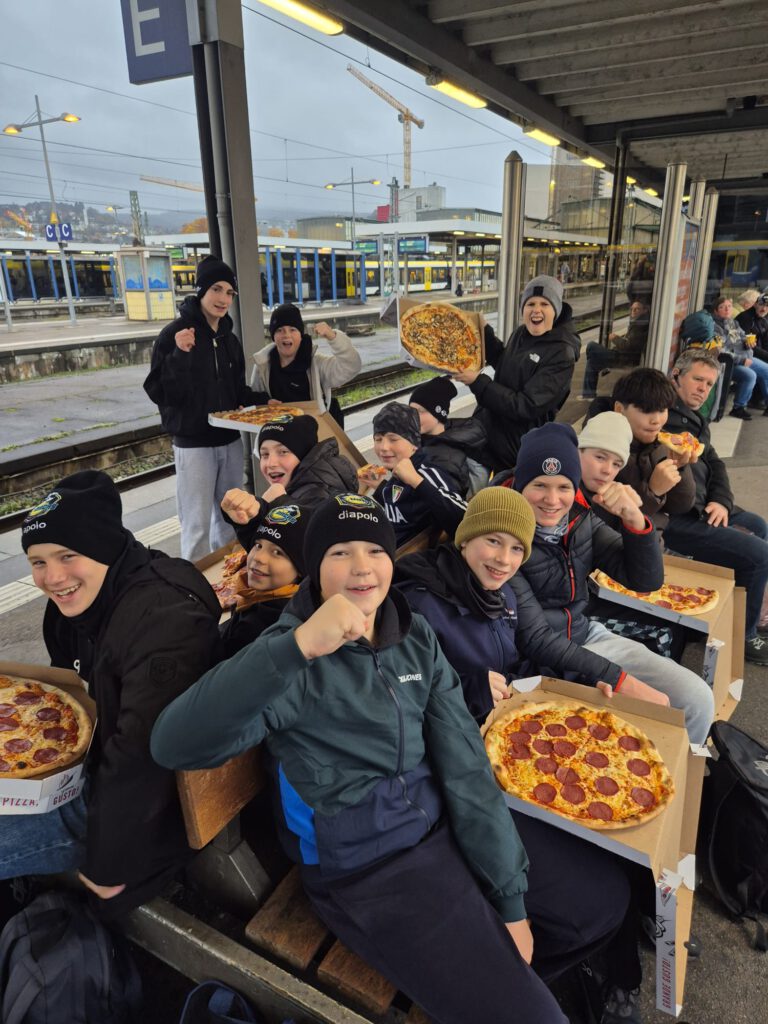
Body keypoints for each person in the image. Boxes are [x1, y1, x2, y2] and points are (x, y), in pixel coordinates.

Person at [151, 493, 629, 1024]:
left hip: (440, 821)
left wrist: (509, 898)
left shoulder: (413, 635)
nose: (362, 568)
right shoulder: (290, 653)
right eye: (340, 553)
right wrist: (300, 646)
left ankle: (490, 985)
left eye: (375, 551)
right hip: (368, 869)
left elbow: (465, 763)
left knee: (603, 902)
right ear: (314, 567)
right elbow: (174, 744)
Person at [395, 486, 646, 1022]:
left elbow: (529, 649)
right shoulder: (420, 602)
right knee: (603, 894)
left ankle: (614, 964)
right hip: (459, 772)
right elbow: (406, 696)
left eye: (516, 548)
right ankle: (521, 982)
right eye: (491, 541)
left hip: (510, 747)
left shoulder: (503, 595)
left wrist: (595, 678)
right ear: (464, 540)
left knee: (627, 851)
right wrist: (472, 690)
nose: (504, 559)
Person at [12, 471, 220, 918]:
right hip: (89, 773)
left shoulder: (165, 619)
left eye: (67, 555)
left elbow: (141, 757)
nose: (52, 578)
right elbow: (65, 693)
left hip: (138, 816)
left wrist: (107, 863)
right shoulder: (82, 600)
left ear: (104, 546)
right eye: (38, 561)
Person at [510, 423, 715, 745]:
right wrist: (620, 680)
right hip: (534, 661)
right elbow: (534, 637)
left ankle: (679, 783)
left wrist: (635, 520)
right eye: (539, 485)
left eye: (564, 486)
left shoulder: (580, 519)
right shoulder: (503, 533)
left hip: (586, 633)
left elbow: (644, 581)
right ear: (520, 485)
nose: (552, 499)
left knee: (696, 698)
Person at [143, 255, 269, 562]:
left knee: (231, 517)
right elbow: (160, 393)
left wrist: (264, 402)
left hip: (229, 441)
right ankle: (195, 587)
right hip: (193, 444)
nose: (223, 298)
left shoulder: (229, 339)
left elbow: (236, 390)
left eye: (229, 292)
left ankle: (228, 576)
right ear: (201, 291)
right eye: (216, 289)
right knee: (196, 524)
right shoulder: (175, 335)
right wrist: (180, 355)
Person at [665, 349, 768, 666]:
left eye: (710, 384)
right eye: (698, 380)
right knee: (758, 554)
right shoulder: (662, 414)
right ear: (676, 376)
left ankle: (734, 616)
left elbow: (715, 463)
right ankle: (744, 636)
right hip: (679, 516)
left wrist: (721, 501)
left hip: (707, 504)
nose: (703, 389)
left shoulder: (696, 418)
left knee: (760, 526)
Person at [456, 275, 580, 471]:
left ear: (555, 310)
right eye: (530, 304)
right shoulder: (521, 333)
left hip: (509, 449)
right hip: (486, 432)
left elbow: (525, 406)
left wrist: (478, 382)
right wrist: (484, 332)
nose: (536, 310)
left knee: (487, 499)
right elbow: (505, 364)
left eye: (544, 304)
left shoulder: (562, 353)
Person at [592, 368, 696, 532]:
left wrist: (679, 467)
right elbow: (608, 523)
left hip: (658, 534)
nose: (656, 420)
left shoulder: (661, 442)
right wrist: (653, 491)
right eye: (646, 411)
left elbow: (681, 506)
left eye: (662, 410)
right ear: (619, 409)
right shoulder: (601, 453)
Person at [216, 494, 313, 659]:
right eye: (258, 545)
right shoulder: (263, 594)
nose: (259, 557)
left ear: (301, 568)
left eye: (277, 553)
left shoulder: (266, 626)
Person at [359, 402, 467, 545]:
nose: (383, 447)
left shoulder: (426, 473)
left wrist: (417, 481)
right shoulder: (398, 473)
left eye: (393, 439)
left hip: (404, 557)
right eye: (378, 439)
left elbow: (465, 519)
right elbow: (404, 509)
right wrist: (379, 486)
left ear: (414, 444)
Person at [251, 303, 361, 423]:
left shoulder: (317, 364)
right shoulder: (262, 366)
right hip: (277, 435)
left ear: (301, 335)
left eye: (292, 329)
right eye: (279, 330)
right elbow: (256, 404)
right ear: (273, 336)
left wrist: (333, 338)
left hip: (315, 434)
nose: (286, 335)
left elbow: (351, 367)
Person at [254, 413, 358, 506]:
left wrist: (272, 507)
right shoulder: (302, 487)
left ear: (305, 455)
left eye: (283, 452)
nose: (271, 463)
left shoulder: (317, 497)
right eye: (265, 454)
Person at [409, 375, 489, 496]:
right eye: (411, 411)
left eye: (420, 411)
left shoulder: (454, 451)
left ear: (439, 412)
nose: (413, 416)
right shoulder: (420, 440)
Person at [712, 295, 768, 419]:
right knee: (750, 375)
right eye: (722, 307)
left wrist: (748, 343)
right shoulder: (715, 327)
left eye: (729, 306)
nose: (727, 309)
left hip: (745, 358)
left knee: (766, 370)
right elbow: (721, 351)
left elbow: (743, 337)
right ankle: (738, 407)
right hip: (728, 363)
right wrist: (742, 360)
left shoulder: (733, 322)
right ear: (716, 311)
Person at [581, 300, 650, 400]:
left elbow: (628, 347)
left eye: (637, 309)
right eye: (632, 309)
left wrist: (614, 338)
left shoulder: (639, 326)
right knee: (592, 362)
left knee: (591, 346)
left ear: (644, 311)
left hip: (622, 358)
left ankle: (589, 393)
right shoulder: (639, 323)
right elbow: (631, 342)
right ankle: (589, 395)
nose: (633, 311)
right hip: (623, 355)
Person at [735, 290, 768, 362]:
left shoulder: (764, 320)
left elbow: (766, 342)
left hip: (759, 356)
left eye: (767, 306)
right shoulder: (745, 318)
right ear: (755, 304)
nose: (764, 309)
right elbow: (748, 346)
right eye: (761, 304)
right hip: (744, 356)